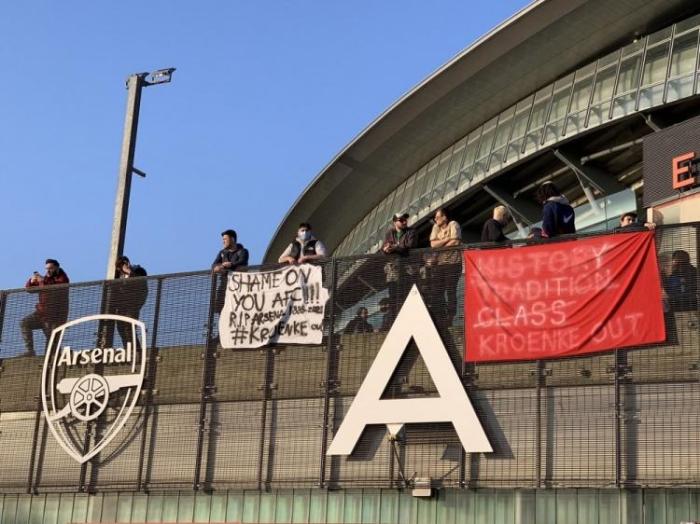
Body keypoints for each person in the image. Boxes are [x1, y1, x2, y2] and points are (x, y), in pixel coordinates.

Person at [21, 259, 70, 356]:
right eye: (47, 269)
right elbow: (29, 289)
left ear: (57, 268)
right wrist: (31, 281)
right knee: (25, 323)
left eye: (50, 268)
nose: (48, 271)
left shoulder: (63, 279)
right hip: (41, 314)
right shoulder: (46, 279)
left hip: (55, 318)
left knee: (51, 345)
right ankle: (30, 351)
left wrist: (42, 281)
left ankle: (53, 358)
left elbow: (53, 289)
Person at [102, 256, 148, 348]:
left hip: (132, 305)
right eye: (119, 266)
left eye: (122, 265)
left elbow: (140, 284)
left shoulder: (138, 271)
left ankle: (136, 351)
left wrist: (129, 271)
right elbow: (114, 292)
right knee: (121, 329)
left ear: (127, 263)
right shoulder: (119, 277)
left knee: (129, 328)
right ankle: (128, 350)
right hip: (121, 307)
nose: (120, 268)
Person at [429, 208, 462, 324]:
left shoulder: (453, 224)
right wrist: (448, 239)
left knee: (450, 290)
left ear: (445, 217)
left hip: (453, 263)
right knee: (437, 290)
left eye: (438, 217)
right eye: (435, 217)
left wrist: (440, 245)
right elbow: (433, 244)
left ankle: (451, 317)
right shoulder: (435, 227)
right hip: (440, 263)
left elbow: (456, 242)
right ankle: (440, 316)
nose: (435, 219)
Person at [382, 212, 417, 305]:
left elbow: (409, 245)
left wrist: (394, 247)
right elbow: (384, 248)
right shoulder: (390, 233)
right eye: (401, 220)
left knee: (407, 297)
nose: (404, 222)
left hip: (407, 270)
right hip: (393, 272)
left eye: (405, 219)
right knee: (394, 298)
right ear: (395, 222)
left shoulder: (411, 231)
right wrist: (386, 249)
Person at [212, 229, 249, 313]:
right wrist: (218, 267)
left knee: (238, 309)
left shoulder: (243, 251)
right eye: (223, 240)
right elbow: (214, 265)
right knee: (220, 309)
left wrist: (231, 264)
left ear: (232, 239)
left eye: (225, 239)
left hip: (238, 285)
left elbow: (242, 262)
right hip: (224, 285)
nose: (223, 242)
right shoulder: (222, 253)